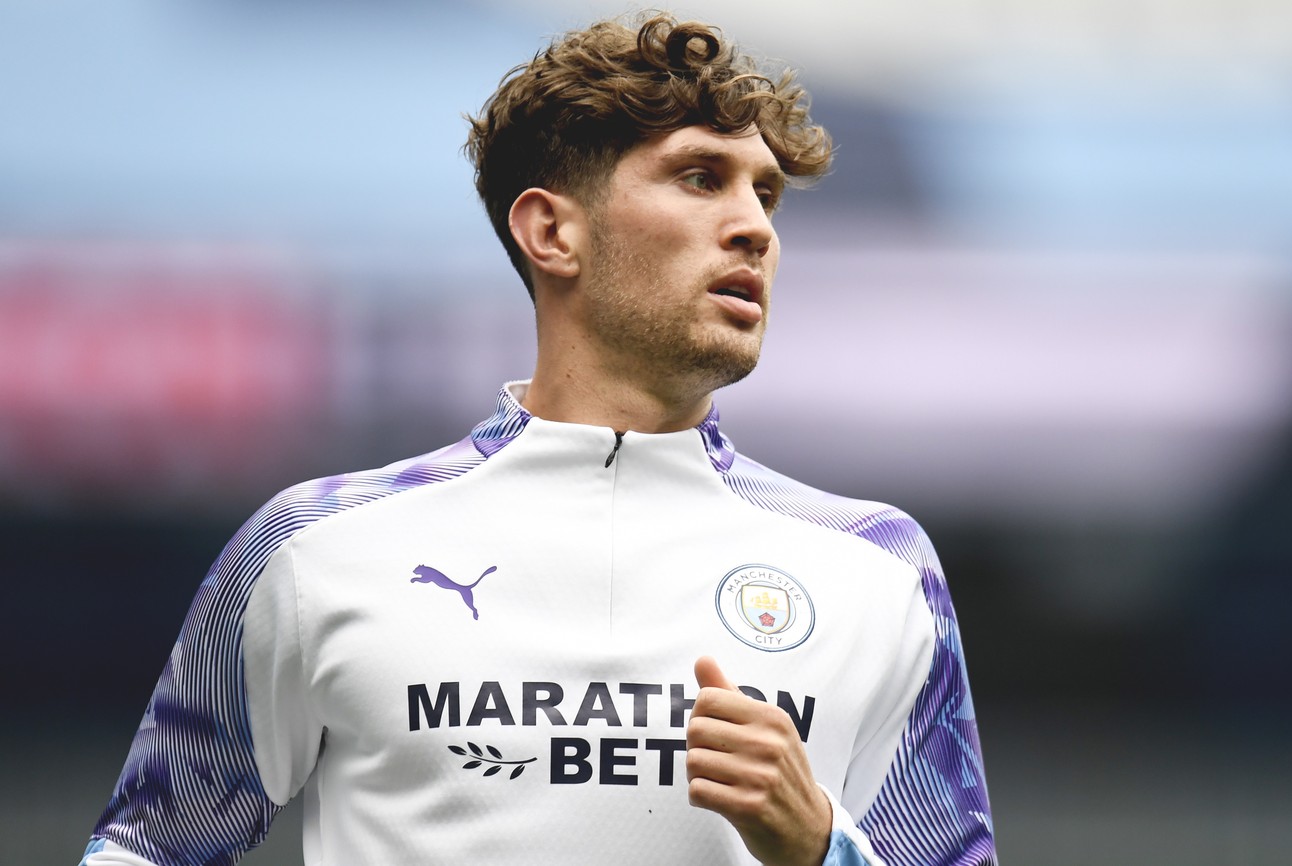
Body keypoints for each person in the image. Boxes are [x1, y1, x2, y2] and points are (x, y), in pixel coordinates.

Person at [80, 13, 994, 866]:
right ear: (551, 230)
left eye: (766, 195)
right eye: (700, 177)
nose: (755, 226)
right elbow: (147, 847)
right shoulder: (314, 546)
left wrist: (824, 844)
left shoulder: (877, 568)